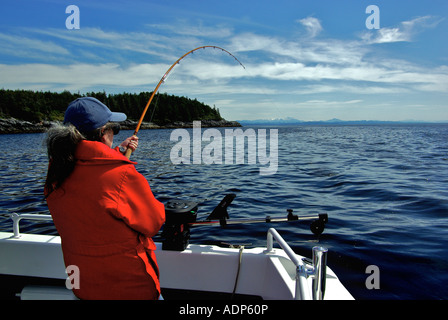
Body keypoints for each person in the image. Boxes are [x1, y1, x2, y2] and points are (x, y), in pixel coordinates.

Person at [44, 97, 165, 300]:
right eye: (114, 129)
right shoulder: (122, 175)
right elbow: (153, 223)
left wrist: (116, 152)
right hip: (128, 288)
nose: (114, 133)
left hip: (82, 286)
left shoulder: (55, 172)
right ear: (103, 133)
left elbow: (90, 178)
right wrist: (116, 163)